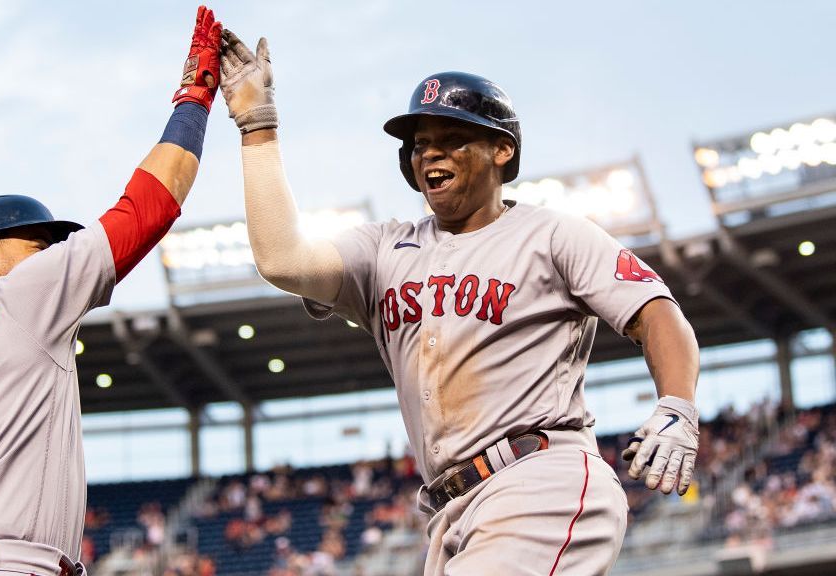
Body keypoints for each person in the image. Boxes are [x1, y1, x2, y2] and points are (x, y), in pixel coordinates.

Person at [218, 31, 701, 575]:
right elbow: (284, 260)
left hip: (541, 483)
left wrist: (677, 407)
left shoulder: (552, 235)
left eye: (452, 138)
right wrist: (258, 127)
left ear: (502, 149)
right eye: (420, 144)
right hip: (451, 511)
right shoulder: (383, 249)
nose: (431, 153)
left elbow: (658, 312)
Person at [0, 7, 222, 576]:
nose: (50, 254)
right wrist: (193, 98)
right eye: (35, 242)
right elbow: (149, 207)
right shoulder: (17, 297)